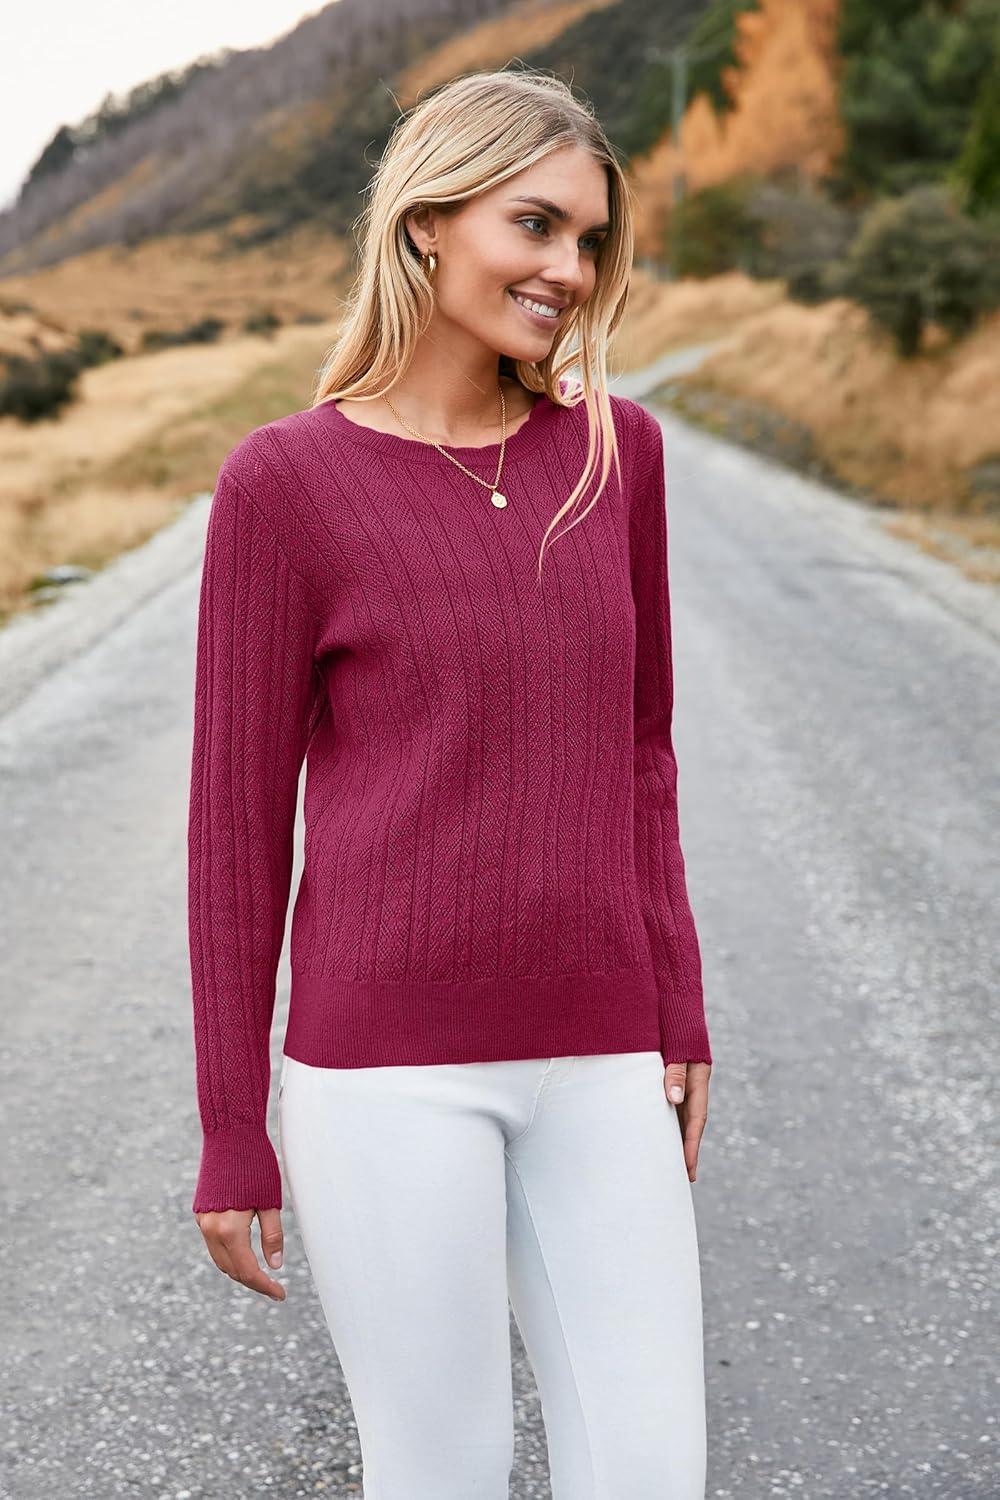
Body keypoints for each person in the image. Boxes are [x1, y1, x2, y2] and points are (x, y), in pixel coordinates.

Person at [187, 65, 713, 1500]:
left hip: (603, 1055)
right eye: (534, 225)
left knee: (653, 1470)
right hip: (384, 1077)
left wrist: (677, 1001)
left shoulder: (616, 454)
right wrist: (233, 1125)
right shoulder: (284, 485)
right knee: (443, 1473)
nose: (570, 270)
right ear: (427, 222)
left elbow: (643, 749)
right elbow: (236, 829)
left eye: (590, 239)